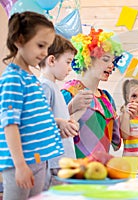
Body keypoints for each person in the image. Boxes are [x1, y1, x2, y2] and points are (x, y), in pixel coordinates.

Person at [0, 11, 64, 200]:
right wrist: (19, 165)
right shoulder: (13, 78)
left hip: (38, 159)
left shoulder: (31, 78)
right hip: (20, 161)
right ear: (20, 40)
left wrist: (58, 122)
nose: (45, 53)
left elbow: (34, 117)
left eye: (48, 47)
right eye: (40, 46)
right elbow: (10, 124)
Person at [61, 27, 123, 158]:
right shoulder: (69, 93)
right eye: (106, 59)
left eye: (113, 61)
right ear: (87, 59)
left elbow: (116, 143)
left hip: (100, 171)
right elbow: (52, 133)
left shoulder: (107, 99)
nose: (112, 65)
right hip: (74, 171)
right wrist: (70, 109)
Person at [39, 34, 79, 189]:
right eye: (68, 62)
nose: (70, 68)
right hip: (54, 161)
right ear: (51, 60)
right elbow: (39, 121)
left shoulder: (53, 86)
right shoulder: (45, 86)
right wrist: (60, 122)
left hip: (61, 160)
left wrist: (67, 122)